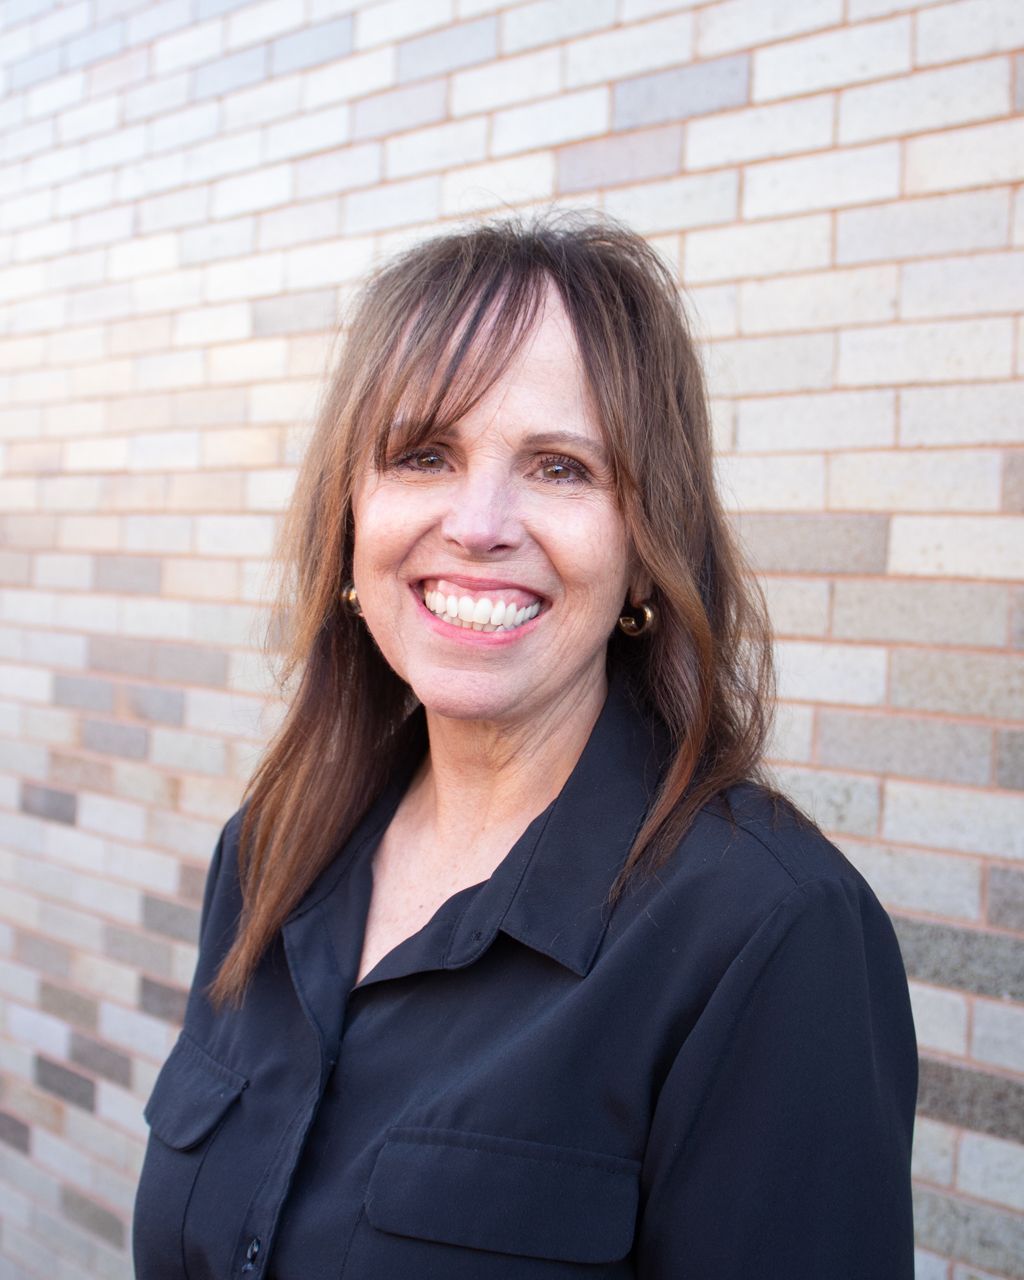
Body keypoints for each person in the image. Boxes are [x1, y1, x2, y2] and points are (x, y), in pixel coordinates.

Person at [132, 210, 918, 1280]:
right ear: (350, 525)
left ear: (646, 552)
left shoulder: (766, 931)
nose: (479, 521)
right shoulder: (271, 848)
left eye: (558, 467)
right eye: (423, 452)